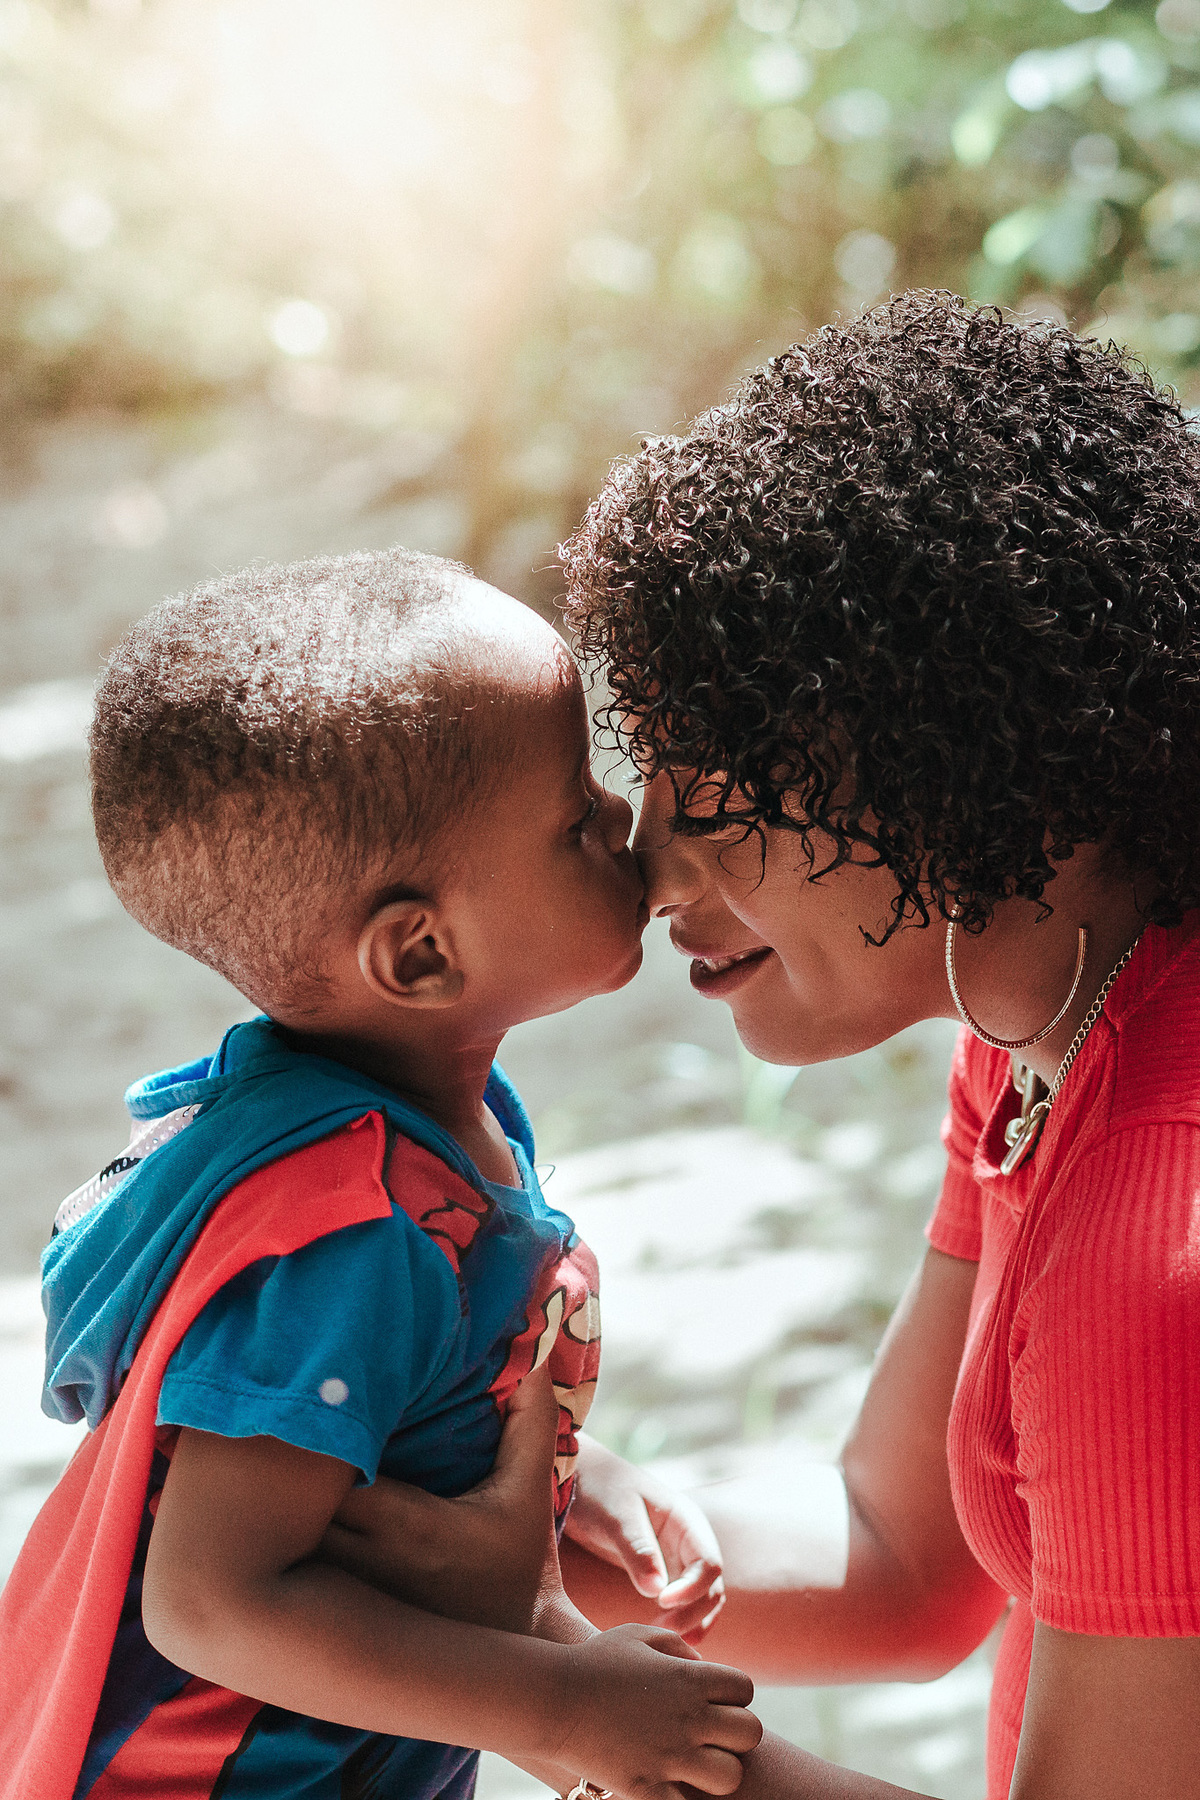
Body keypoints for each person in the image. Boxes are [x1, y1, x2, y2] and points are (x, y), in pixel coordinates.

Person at [395, 291, 1200, 1800]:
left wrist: (548, 1700)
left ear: (959, 755)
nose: (648, 869)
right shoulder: (1046, 1026)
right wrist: (491, 1530)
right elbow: (904, 1565)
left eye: (712, 797)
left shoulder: (1156, 1243)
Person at [0, 549, 761, 1800]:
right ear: (420, 955)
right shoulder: (347, 1227)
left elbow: (390, 1400)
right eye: (574, 817)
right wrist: (566, 1708)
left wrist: (570, 1476)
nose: (620, 820)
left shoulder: (416, 1131)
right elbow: (210, 1602)